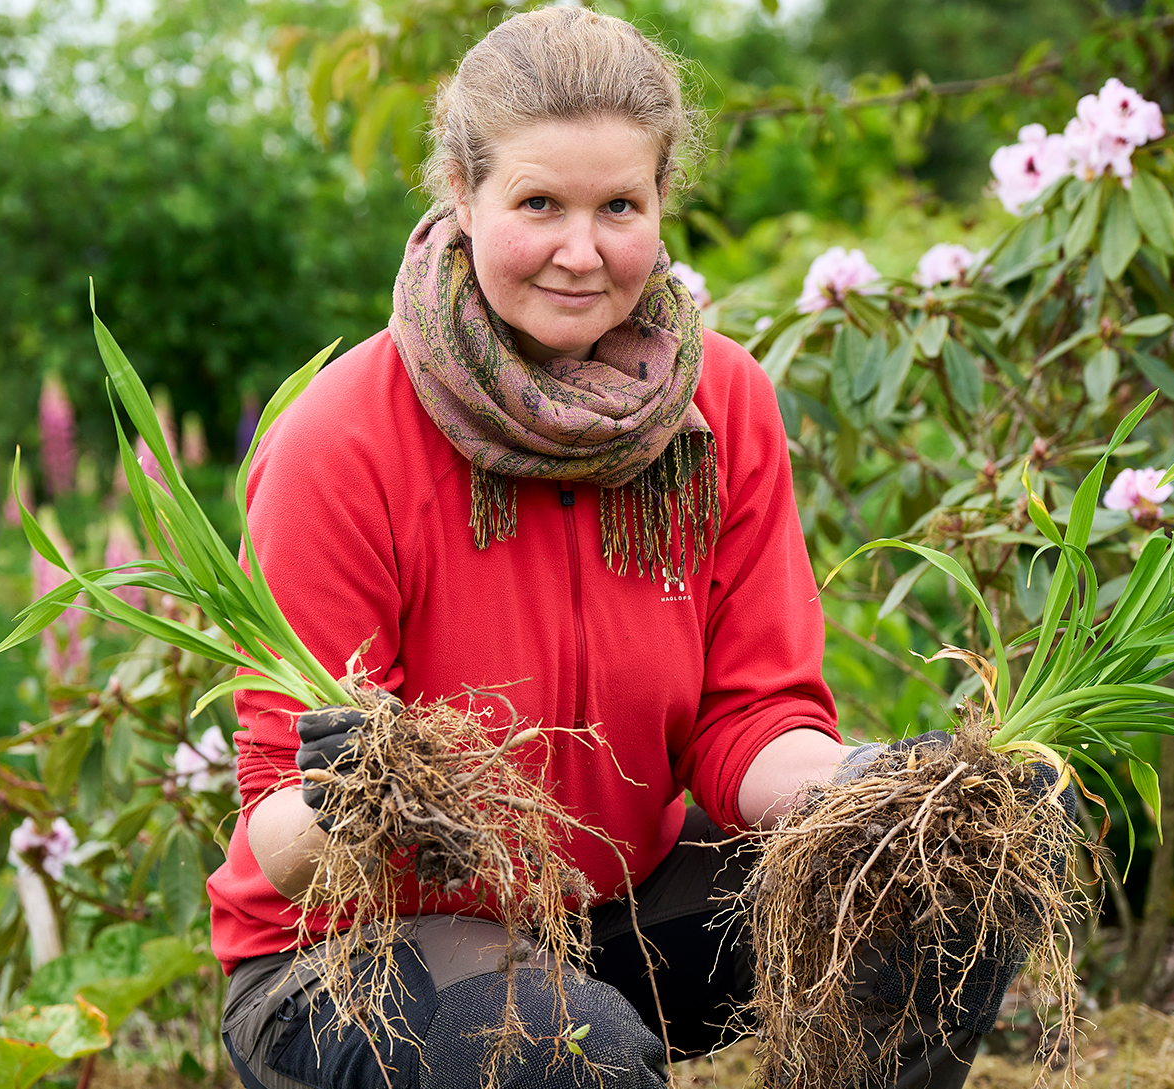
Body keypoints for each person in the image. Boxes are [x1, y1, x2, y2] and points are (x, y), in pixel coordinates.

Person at [208, 8, 993, 1087]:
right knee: (566, 1054)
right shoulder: (342, 441)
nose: (582, 252)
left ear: (661, 204)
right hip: (351, 953)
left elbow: (750, 723)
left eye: (618, 206)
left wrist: (879, 794)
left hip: (610, 909)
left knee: (942, 880)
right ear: (462, 194)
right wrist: (359, 789)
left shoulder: (720, 402)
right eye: (539, 204)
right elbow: (279, 839)